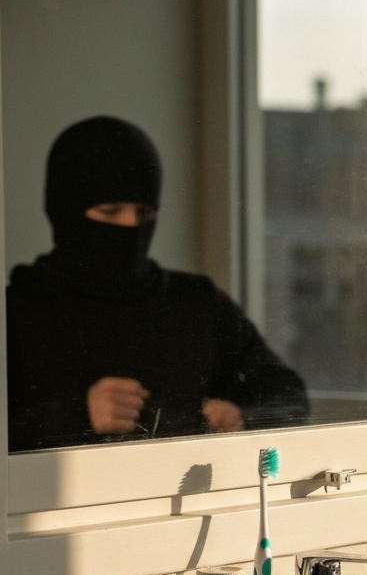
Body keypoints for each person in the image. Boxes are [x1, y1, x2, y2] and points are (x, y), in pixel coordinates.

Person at [6, 116, 307, 451]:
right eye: (110, 211)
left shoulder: (197, 303)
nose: (130, 226)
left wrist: (243, 415)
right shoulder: (15, 313)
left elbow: (288, 395)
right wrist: (76, 416)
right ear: (65, 210)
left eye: (145, 214)